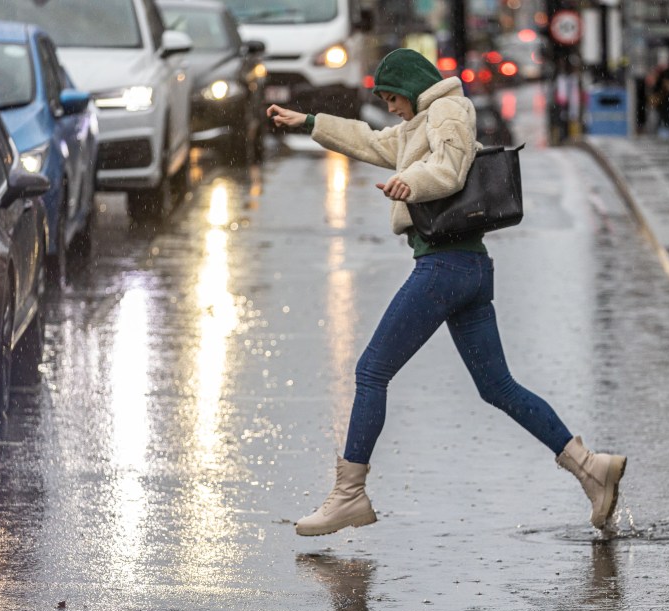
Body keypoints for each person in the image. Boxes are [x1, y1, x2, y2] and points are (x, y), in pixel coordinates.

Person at [267, 49, 627, 537]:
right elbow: (373, 141)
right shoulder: (420, 122)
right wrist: (309, 121)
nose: (392, 109)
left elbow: (451, 169)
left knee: (372, 371)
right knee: (497, 387)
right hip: (466, 268)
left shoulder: (449, 112)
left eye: (394, 98)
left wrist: (407, 183)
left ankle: (349, 494)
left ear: (413, 90)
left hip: (446, 267)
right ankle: (590, 468)